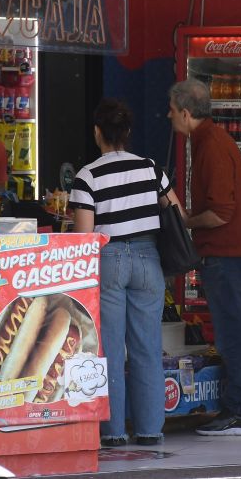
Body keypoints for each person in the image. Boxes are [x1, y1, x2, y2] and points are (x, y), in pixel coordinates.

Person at [69, 98, 182, 447]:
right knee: (148, 347)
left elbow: (85, 238)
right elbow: (177, 210)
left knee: (109, 350)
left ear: (97, 132)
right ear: (128, 132)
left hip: (110, 259)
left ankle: (114, 430)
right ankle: (150, 429)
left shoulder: (87, 177)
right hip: (149, 259)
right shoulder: (151, 169)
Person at [166, 78, 241, 436]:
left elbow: (221, 212)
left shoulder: (213, 146)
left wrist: (185, 220)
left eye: (172, 110)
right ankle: (237, 409)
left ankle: (238, 413)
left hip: (223, 253)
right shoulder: (208, 141)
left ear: (186, 113)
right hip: (223, 252)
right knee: (231, 329)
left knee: (232, 332)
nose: (168, 116)